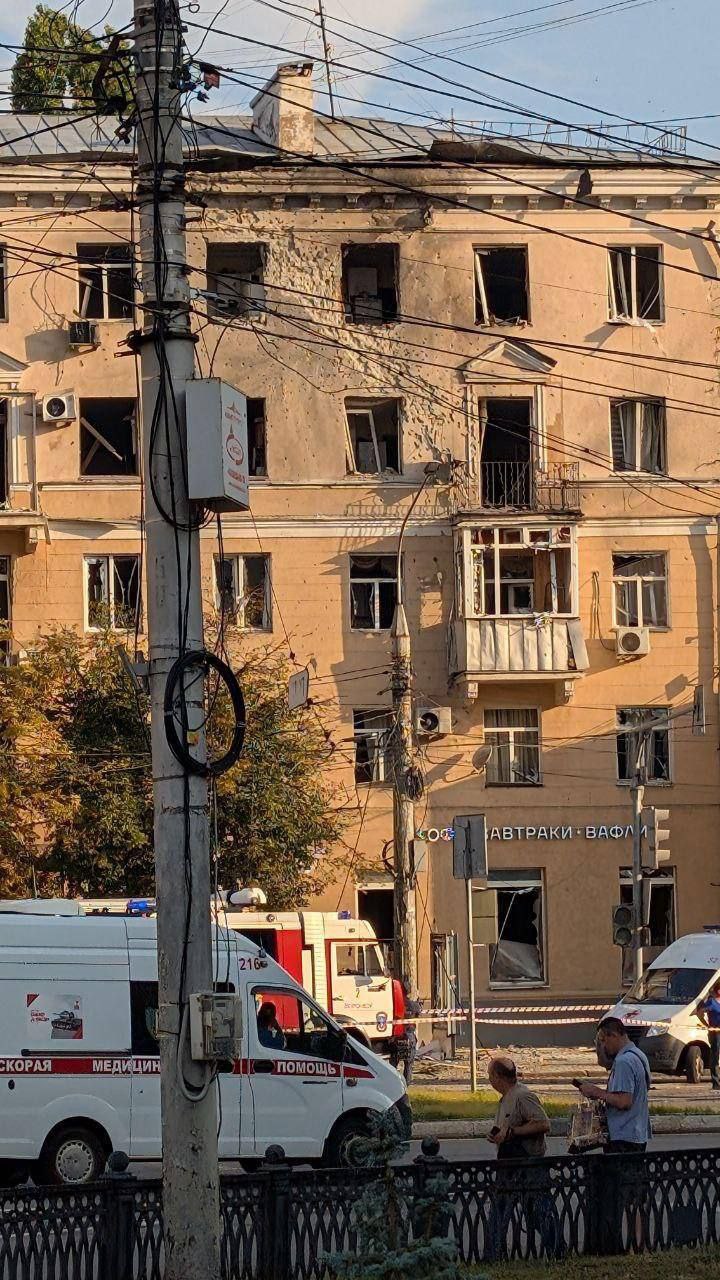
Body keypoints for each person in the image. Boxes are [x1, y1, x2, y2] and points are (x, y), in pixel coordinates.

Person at [578, 1015, 651, 1153]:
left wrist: (596, 1092)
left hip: (623, 1137)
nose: (603, 1046)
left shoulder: (623, 1062)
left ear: (614, 1035)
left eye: (603, 1040)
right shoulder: (638, 1055)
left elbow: (624, 1102)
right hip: (637, 1133)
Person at [487, 1056, 550, 1160]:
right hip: (511, 1160)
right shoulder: (508, 1096)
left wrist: (512, 1132)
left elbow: (543, 1124)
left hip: (526, 1163)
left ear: (497, 1077)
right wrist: (497, 1134)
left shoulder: (522, 1096)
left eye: (490, 1075)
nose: (489, 1079)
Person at [698, 980, 720, 1089]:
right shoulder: (712, 1002)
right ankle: (716, 1082)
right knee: (715, 1056)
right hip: (715, 1033)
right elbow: (700, 1012)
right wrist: (706, 1024)